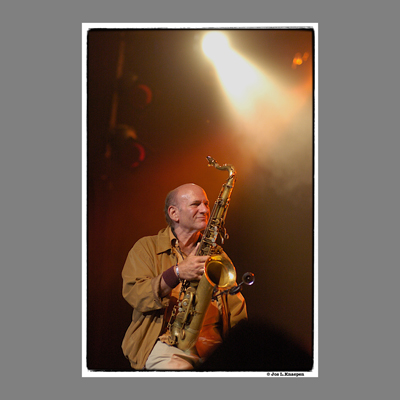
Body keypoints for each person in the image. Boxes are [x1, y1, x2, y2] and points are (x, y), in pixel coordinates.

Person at [121, 183, 247, 370]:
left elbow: (236, 311)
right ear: (174, 213)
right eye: (195, 204)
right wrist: (177, 272)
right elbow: (135, 294)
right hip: (169, 347)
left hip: (213, 349)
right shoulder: (146, 248)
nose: (205, 210)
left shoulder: (218, 255)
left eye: (206, 203)